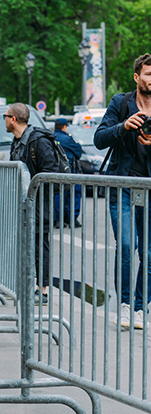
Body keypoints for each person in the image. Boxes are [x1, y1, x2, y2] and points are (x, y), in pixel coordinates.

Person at [95, 53, 151, 329]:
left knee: (150, 253)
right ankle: (126, 305)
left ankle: (142, 307)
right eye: (148, 74)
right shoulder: (121, 102)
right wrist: (123, 126)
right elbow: (98, 139)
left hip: (150, 189)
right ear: (137, 77)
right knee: (127, 246)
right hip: (123, 186)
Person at [5, 102, 59, 304]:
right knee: (25, 243)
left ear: (13, 119)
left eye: (6, 116)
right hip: (25, 203)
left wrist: (36, 188)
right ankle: (26, 283)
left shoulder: (38, 141)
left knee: (39, 244)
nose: (5, 120)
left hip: (40, 202)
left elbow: (51, 170)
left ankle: (42, 289)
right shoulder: (17, 140)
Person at [53, 118, 83, 228]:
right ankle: (72, 219)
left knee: (58, 193)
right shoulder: (68, 139)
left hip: (55, 171)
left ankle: (58, 220)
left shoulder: (50, 138)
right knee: (74, 193)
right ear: (64, 127)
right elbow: (78, 152)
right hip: (70, 170)